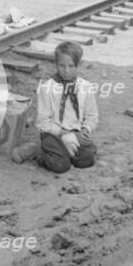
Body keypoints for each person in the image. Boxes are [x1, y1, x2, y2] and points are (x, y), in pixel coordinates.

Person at [35, 41, 98, 173]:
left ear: (78, 65)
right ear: (56, 64)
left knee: (87, 160)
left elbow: (92, 116)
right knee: (61, 166)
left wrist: (85, 131)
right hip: (53, 134)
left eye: (71, 66)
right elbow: (42, 123)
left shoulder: (86, 87)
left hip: (76, 133)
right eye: (62, 65)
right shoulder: (47, 88)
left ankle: (62, 152)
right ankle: (39, 153)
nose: (66, 70)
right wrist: (65, 134)